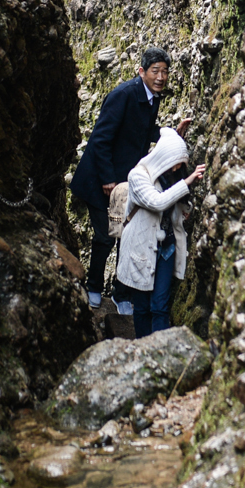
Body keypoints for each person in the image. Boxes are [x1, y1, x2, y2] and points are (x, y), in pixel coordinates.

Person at [70, 48, 191, 308]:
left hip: (125, 182)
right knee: (105, 235)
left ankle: (120, 294)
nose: (161, 77)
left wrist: (171, 135)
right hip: (99, 179)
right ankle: (93, 288)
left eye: (165, 71)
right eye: (155, 71)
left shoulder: (152, 97)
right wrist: (107, 179)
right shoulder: (123, 95)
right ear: (141, 72)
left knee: (128, 235)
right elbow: (100, 139)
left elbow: (146, 131)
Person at [115, 128, 205, 337]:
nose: (177, 168)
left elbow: (175, 206)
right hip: (141, 246)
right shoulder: (138, 176)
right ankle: (144, 348)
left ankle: (160, 351)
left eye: (180, 164)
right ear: (164, 156)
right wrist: (187, 182)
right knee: (143, 306)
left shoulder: (170, 176)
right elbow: (157, 202)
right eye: (175, 161)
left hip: (166, 247)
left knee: (160, 305)